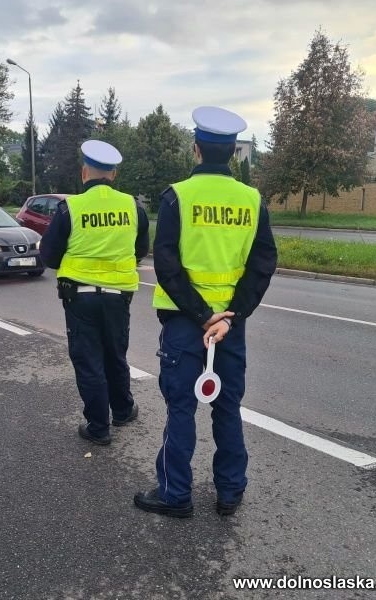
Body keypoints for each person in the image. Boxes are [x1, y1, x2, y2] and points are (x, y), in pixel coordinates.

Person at [133, 106, 277, 518]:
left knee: (181, 408)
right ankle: (230, 492)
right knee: (228, 406)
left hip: (185, 322)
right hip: (230, 327)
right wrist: (230, 314)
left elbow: (166, 263)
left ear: (195, 149)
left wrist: (201, 315)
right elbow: (263, 261)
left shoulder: (178, 195)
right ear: (233, 152)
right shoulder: (252, 200)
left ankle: (175, 494)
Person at [40, 140, 150, 446]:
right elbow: (141, 250)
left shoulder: (70, 208)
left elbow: (49, 256)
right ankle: (124, 410)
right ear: (113, 174)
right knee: (116, 354)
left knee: (90, 360)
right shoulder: (133, 207)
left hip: (80, 298)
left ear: (84, 172)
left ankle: (99, 427)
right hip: (119, 298)